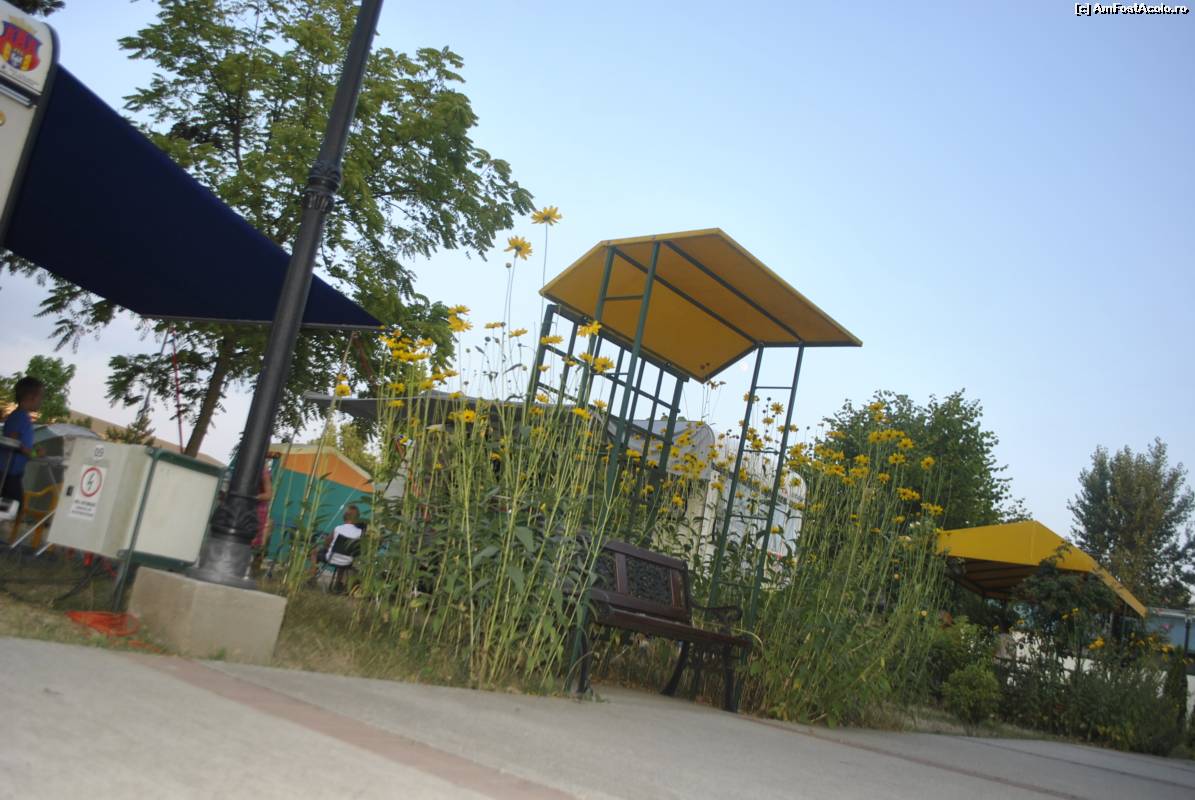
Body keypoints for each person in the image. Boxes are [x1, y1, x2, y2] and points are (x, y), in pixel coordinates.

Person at [2, 377, 44, 507]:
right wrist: (34, 453)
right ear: (31, 397)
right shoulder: (19, 417)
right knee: (14, 507)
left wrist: (33, 448)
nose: (41, 401)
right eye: (41, 397)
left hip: (12, 473)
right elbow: (14, 441)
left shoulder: (22, 417)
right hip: (7, 474)